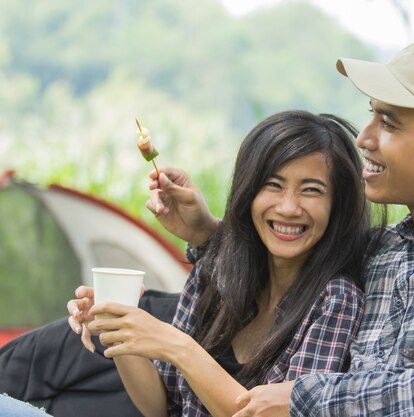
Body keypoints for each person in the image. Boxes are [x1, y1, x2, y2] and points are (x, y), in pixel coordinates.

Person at [157, 36, 414, 416]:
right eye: (372, 115)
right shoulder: (378, 249)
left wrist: (306, 399)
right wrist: (207, 234)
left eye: (390, 123)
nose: (364, 138)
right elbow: (285, 261)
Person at [66, 110, 371, 417]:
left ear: (337, 206)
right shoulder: (219, 270)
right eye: (273, 185)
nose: (288, 207)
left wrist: (177, 346)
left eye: (311, 190)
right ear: (248, 192)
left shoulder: (336, 300)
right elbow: (160, 406)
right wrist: (119, 324)